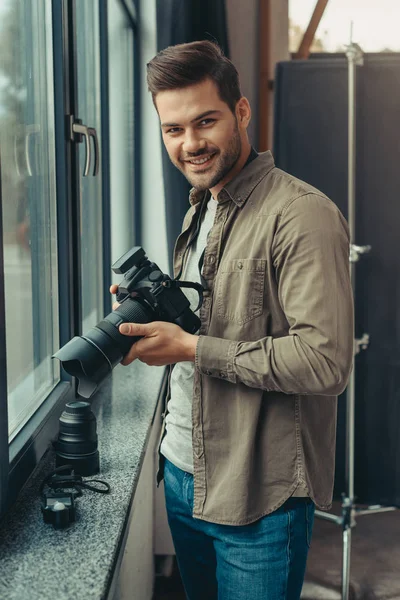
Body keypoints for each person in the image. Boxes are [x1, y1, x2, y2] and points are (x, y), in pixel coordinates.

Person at [111, 41, 354, 600]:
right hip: (181, 472)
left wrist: (191, 349)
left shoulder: (302, 215)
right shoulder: (203, 203)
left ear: (242, 112)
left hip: (258, 498)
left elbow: (324, 363)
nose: (190, 144)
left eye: (205, 122)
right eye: (173, 130)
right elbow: (214, 320)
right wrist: (151, 308)